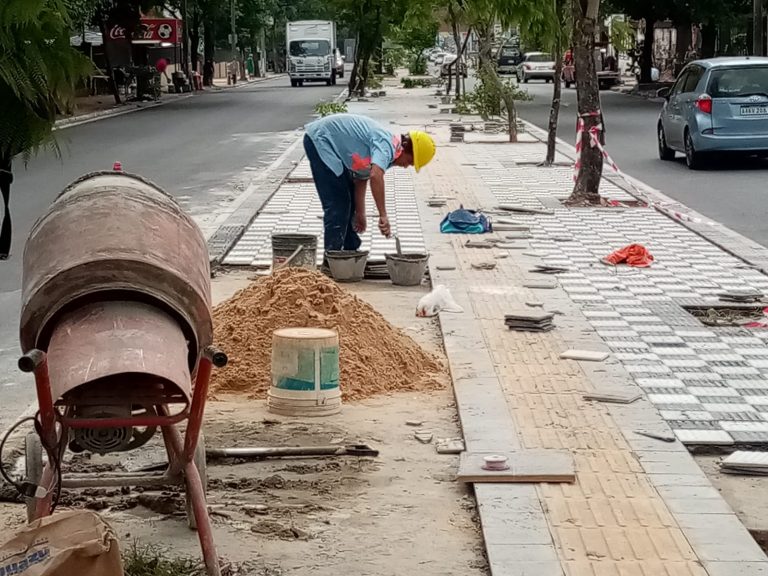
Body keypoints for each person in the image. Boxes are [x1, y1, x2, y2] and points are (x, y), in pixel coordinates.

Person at [303, 113, 436, 263]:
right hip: (320, 140)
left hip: (329, 144)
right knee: (338, 204)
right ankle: (332, 261)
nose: (406, 166)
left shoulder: (389, 152)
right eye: (410, 161)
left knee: (348, 201)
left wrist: (360, 213)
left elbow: (361, 178)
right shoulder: (387, 145)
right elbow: (375, 176)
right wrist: (383, 215)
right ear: (405, 148)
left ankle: (350, 255)